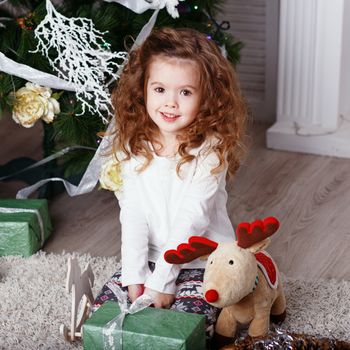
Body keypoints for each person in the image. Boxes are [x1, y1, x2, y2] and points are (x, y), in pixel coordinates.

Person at [95, 27, 247, 341]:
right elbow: (133, 212)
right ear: (143, 89)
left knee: (187, 323)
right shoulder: (133, 145)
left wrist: (161, 285)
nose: (171, 103)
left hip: (205, 260)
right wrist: (136, 276)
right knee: (108, 310)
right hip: (152, 257)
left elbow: (191, 220)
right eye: (160, 89)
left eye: (186, 92)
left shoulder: (209, 150)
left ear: (207, 97)